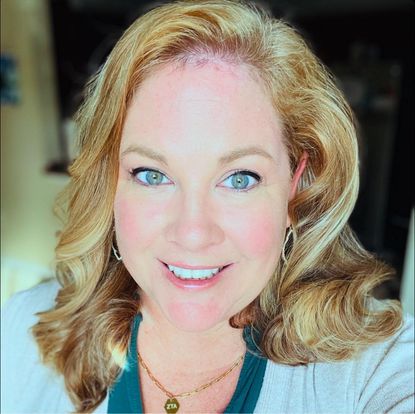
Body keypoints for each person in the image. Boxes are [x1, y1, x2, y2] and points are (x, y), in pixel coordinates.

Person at [1, 0, 414, 413]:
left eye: (239, 178)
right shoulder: (23, 330)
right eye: (152, 175)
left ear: (295, 187)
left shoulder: (377, 370)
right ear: (109, 183)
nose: (193, 233)